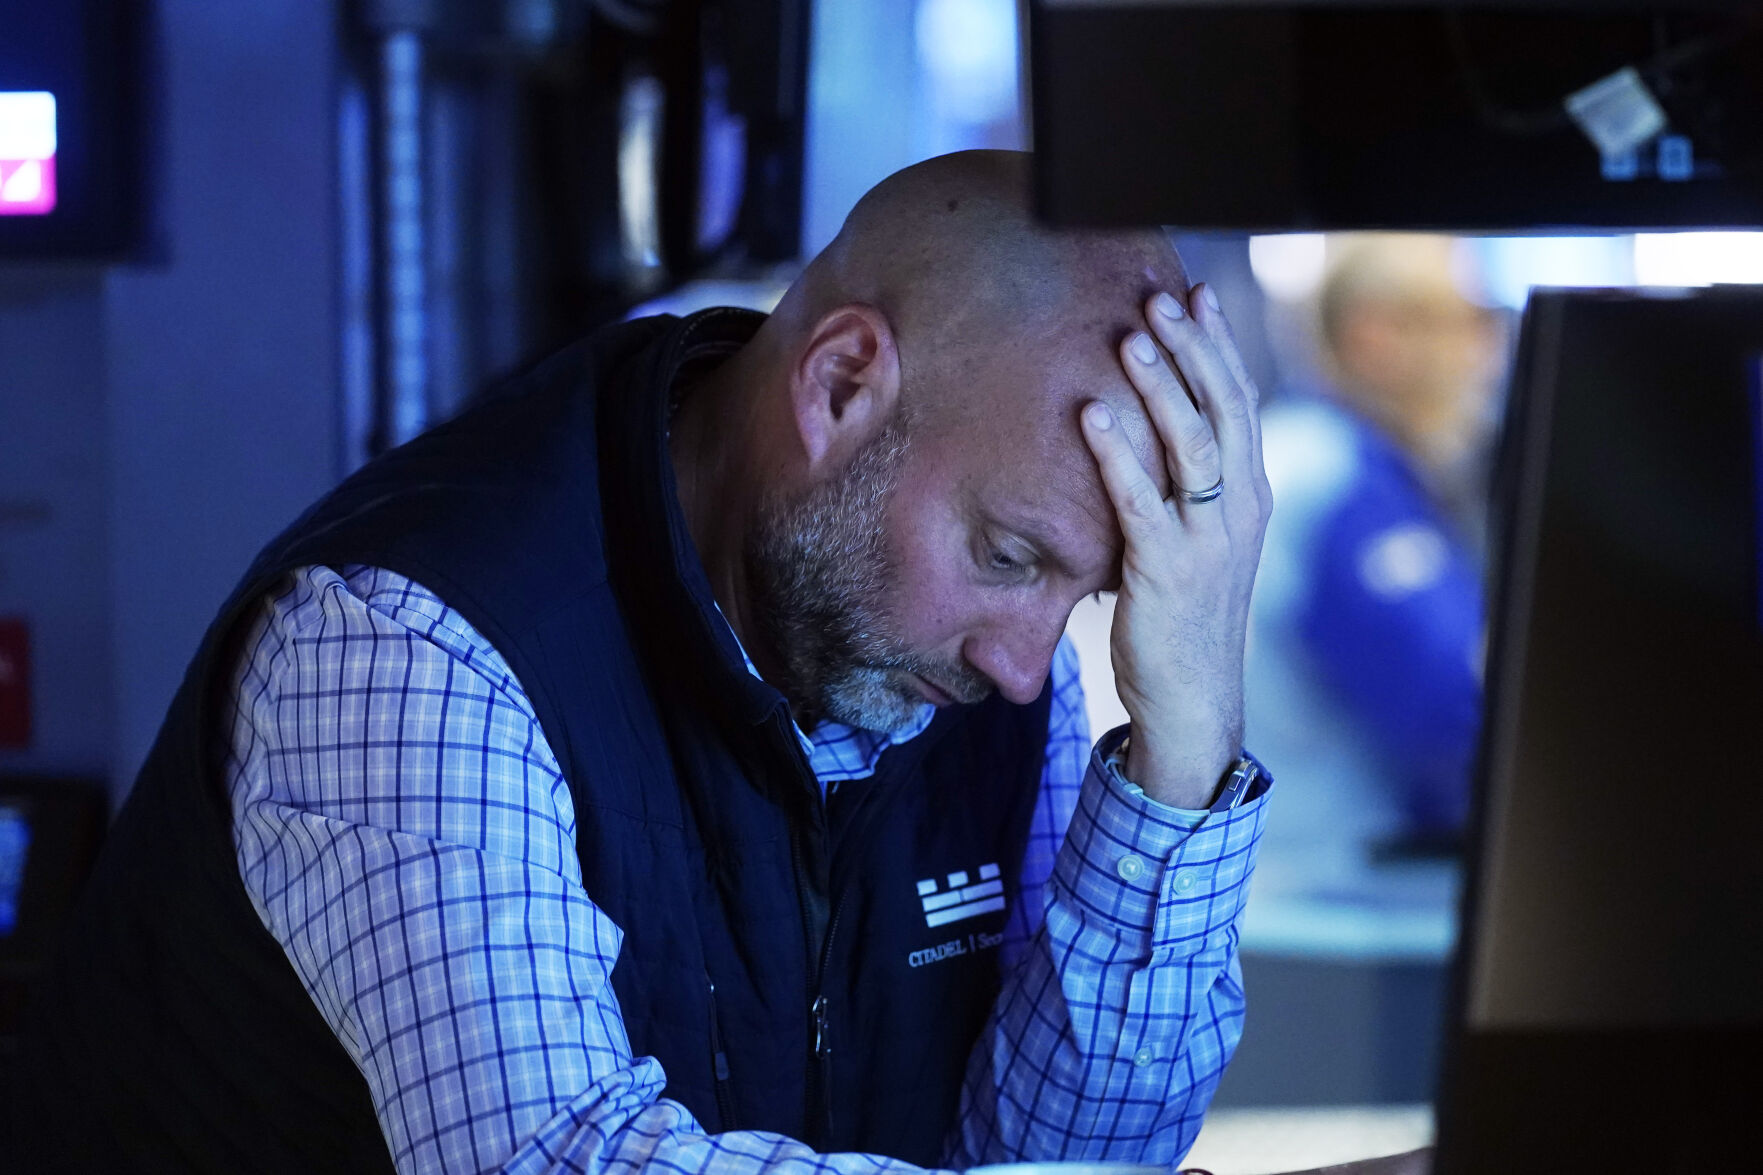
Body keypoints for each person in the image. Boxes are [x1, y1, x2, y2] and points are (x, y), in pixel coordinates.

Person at [13, 151, 1412, 1175]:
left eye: (1084, 587)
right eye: (1006, 552)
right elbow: (562, 1160)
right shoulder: (409, 638)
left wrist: (1180, 747)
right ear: (839, 385)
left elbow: (1057, 1150)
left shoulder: (974, 651)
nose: (1026, 655)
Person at [1246, 235, 1497, 883]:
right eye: (1461, 322)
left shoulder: (1296, 449)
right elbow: (1455, 711)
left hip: (1282, 876)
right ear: (1374, 337)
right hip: (1337, 888)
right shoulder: (1340, 483)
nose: (1482, 355)